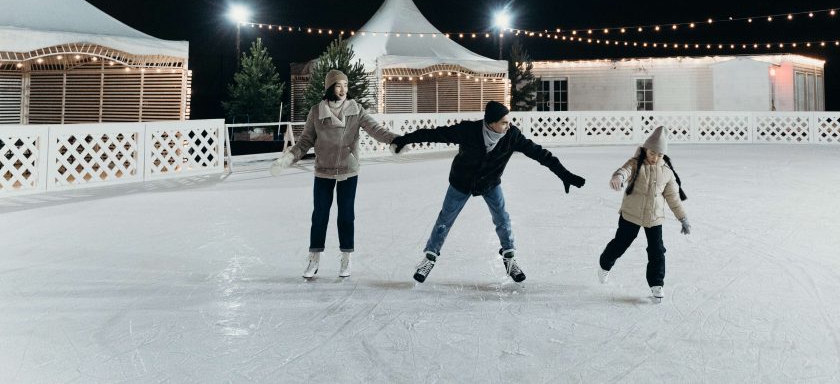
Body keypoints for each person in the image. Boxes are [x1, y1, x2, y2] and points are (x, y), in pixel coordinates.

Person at [391, 100, 586, 283]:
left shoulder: (512, 136)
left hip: (490, 183)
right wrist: (404, 140)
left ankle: (510, 259)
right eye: (503, 122)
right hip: (461, 181)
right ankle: (429, 258)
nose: (508, 126)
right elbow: (433, 134)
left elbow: (541, 154)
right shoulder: (468, 130)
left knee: (502, 218)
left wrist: (564, 174)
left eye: (508, 122)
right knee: (445, 219)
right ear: (490, 123)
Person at [270, 69, 398, 279]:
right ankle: (314, 258)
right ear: (330, 87)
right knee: (319, 215)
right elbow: (305, 141)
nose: (343, 90)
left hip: (348, 169)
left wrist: (395, 140)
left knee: (346, 215)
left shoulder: (356, 110)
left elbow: (376, 130)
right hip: (323, 170)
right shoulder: (316, 111)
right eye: (339, 85)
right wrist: (288, 158)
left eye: (345, 86)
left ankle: (346, 257)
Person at [598, 126, 690, 300]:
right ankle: (604, 264)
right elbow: (624, 171)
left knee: (657, 251)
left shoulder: (667, 172)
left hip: (654, 217)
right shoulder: (636, 163)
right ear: (646, 149)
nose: (655, 157)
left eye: (660, 154)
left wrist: (682, 218)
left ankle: (657, 284)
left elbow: (673, 198)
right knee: (621, 243)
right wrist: (618, 177)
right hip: (631, 214)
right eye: (652, 152)